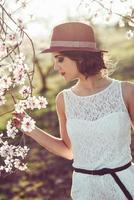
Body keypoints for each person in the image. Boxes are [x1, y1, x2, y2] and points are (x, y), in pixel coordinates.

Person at [14, 22, 134, 200]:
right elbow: (69, 151)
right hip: (85, 190)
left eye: (60, 59)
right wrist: (31, 130)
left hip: (124, 185)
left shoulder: (126, 92)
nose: (56, 67)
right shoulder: (63, 100)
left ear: (80, 57)